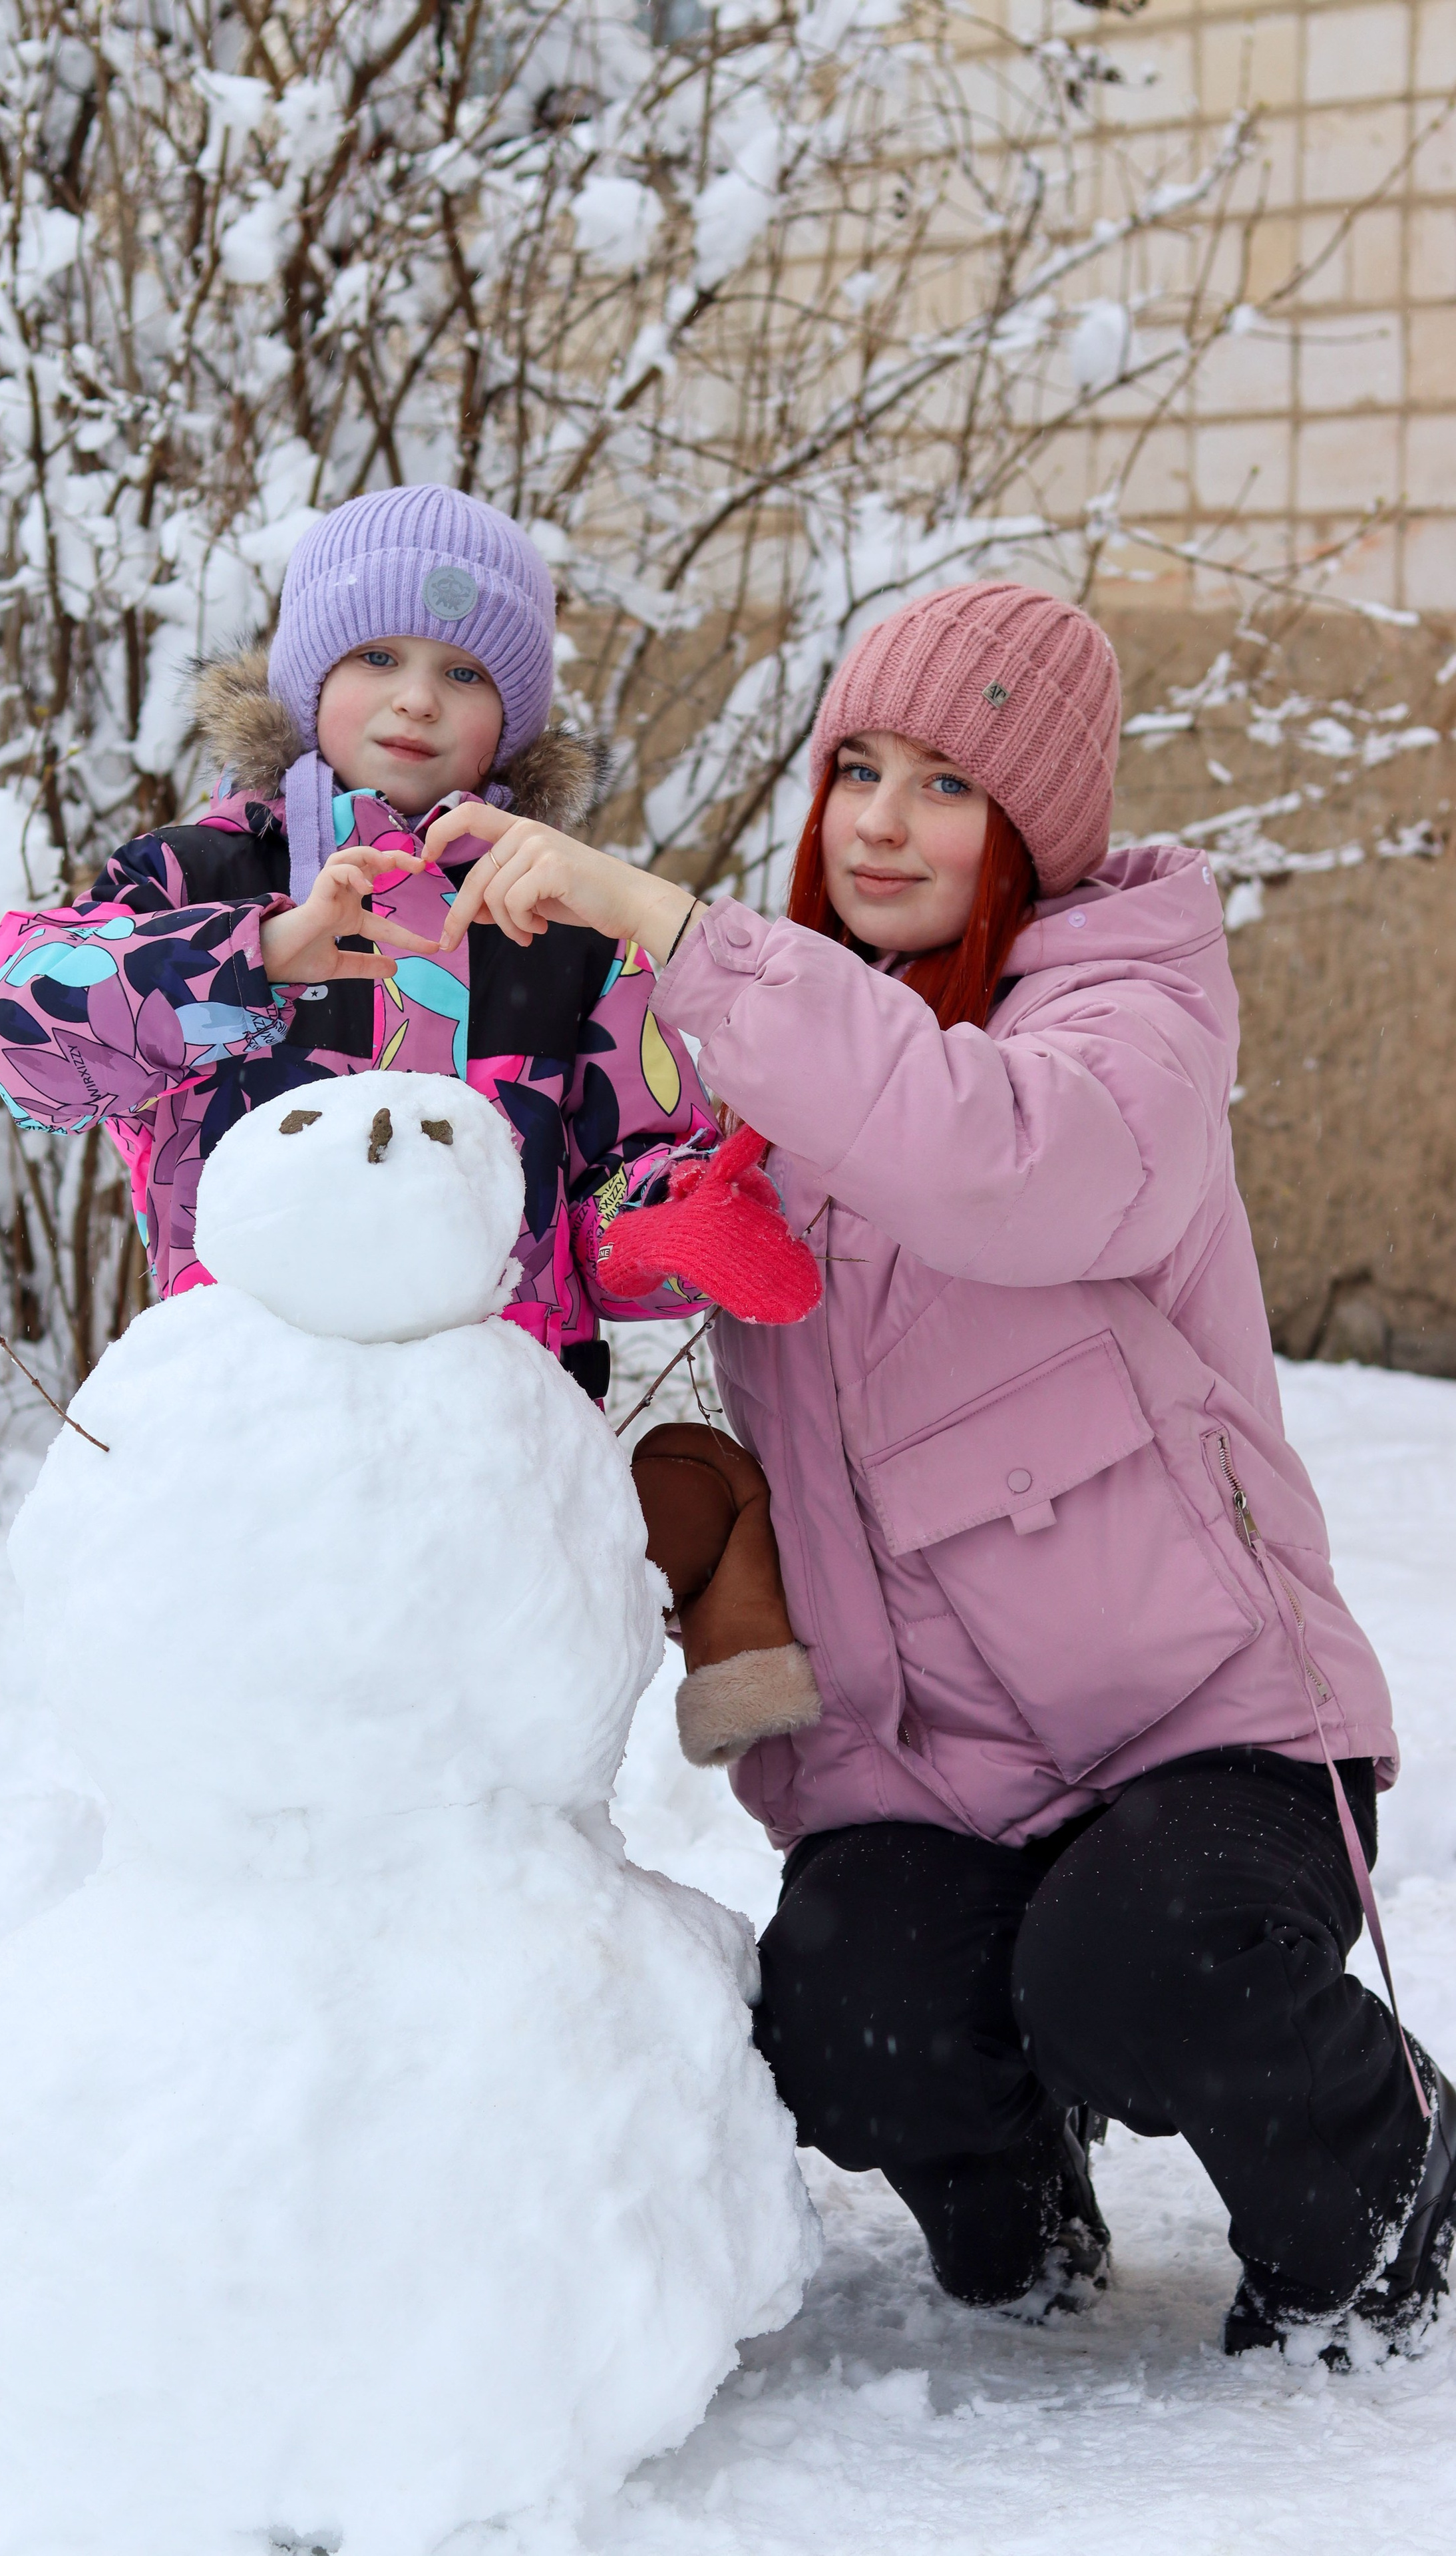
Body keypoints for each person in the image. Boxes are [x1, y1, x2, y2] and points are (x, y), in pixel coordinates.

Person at [423, 578, 1456, 2364]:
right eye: (861, 772)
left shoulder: (1121, 1024)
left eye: (948, 786)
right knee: (838, 2021)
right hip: (934, 1760)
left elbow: (993, 1159)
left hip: (1213, 1728)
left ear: (1034, 829)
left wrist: (671, 918)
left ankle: (1389, 2196)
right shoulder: (757, 1052)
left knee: (1144, 1966)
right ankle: (1013, 2188)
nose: (885, 824)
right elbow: (560, 1176)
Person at [0, 485, 780, 1397]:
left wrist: (666, 1224)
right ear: (308, 678)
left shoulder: (569, 925)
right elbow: (19, 1029)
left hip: (495, 1425)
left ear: (513, 722)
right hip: (245, 1409)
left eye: (466, 674)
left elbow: (623, 1170)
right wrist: (256, 957)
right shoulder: (200, 876)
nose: (418, 700)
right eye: (378, 657)